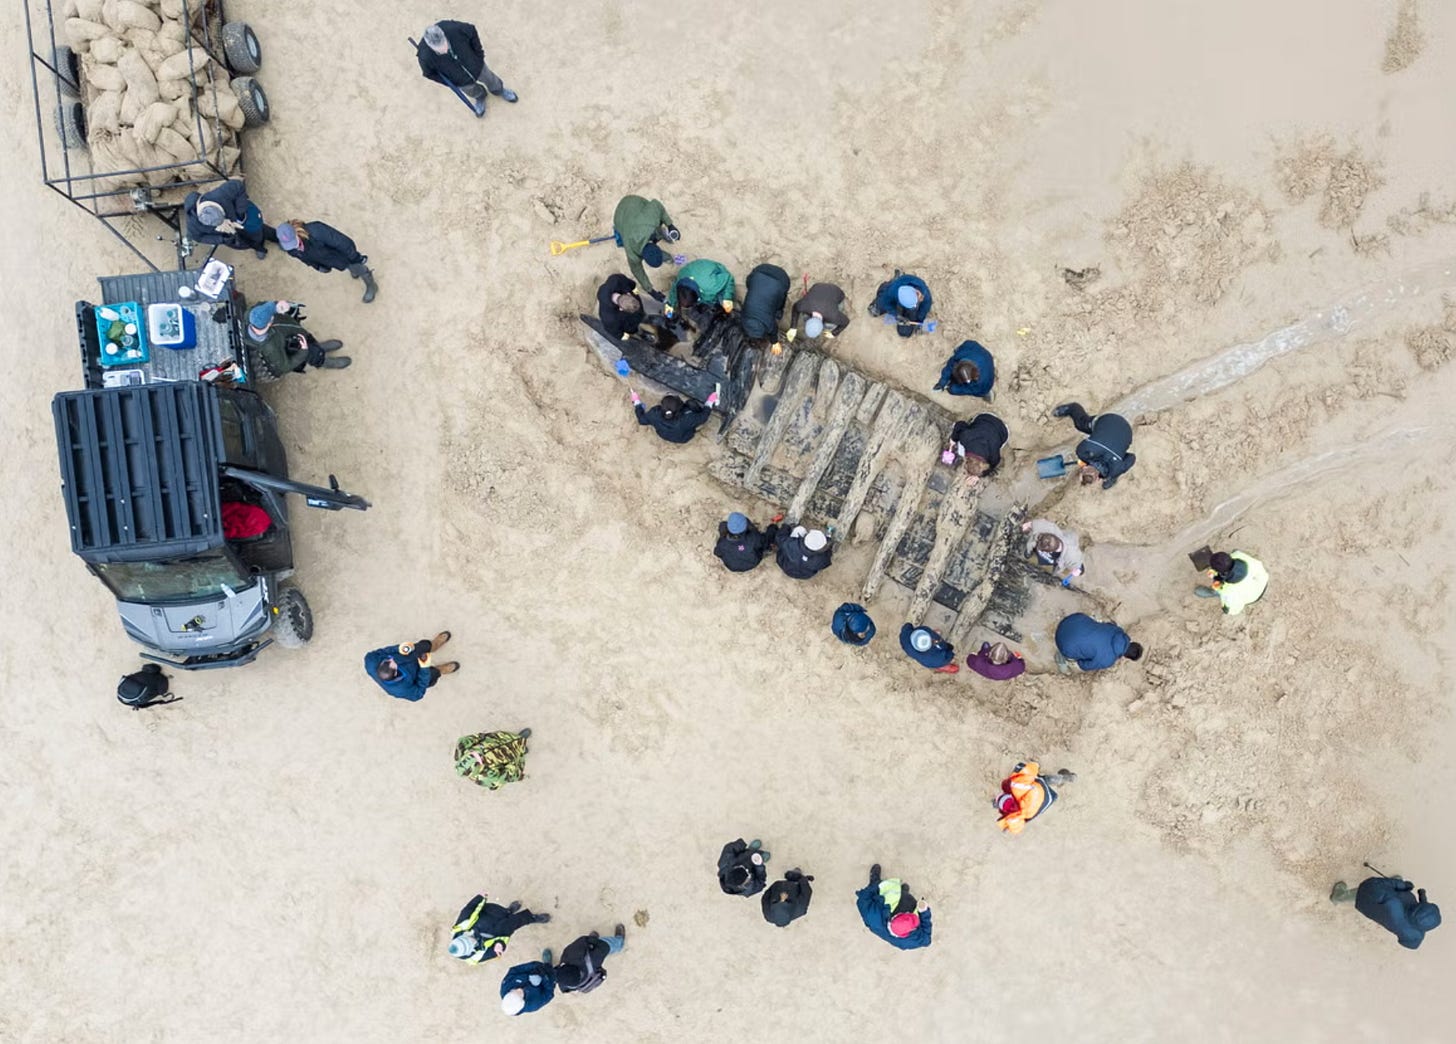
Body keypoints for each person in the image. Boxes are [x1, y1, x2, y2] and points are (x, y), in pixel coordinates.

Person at [416, 20, 517, 117]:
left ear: (443, 33)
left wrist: (479, 55)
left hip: (477, 65)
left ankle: (499, 90)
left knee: (490, 78)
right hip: (460, 81)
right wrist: (451, 83)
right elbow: (429, 74)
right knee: (472, 91)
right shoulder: (424, 56)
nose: (445, 50)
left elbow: (471, 30)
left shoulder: (452, 28)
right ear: (430, 45)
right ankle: (480, 97)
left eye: (445, 44)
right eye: (440, 51)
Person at [276, 220, 377, 304]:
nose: (293, 247)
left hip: (342, 257)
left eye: (293, 241)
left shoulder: (316, 231)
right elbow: (303, 258)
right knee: (346, 267)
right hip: (331, 261)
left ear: (296, 231)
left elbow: (343, 242)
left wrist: (354, 257)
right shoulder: (288, 247)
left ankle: (371, 284)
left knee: (357, 267)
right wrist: (318, 267)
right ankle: (352, 269)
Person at [1330, 874, 1441, 950]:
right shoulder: (1415, 935)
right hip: (1384, 913)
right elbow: (1411, 944)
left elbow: (1371, 885)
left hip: (1371, 902)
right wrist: (1422, 898)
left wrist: (1399, 884)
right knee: (1383, 893)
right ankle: (1395, 884)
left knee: (1364, 894)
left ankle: (1339, 896)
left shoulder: (1393, 903)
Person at [245, 301, 351, 378]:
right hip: (293, 349)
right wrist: (303, 351)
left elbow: (261, 306)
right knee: (310, 354)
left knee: (308, 340)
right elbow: (285, 366)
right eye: (273, 314)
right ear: (268, 323)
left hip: (292, 331)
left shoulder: (252, 315)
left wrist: (276, 306)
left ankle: (318, 347)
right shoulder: (270, 348)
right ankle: (323, 362)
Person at [448, 894, 551, 965]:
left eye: (468, 938)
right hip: (499, 932)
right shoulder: (475, 958)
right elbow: (494, 952)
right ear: (470, 950)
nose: (472, 939)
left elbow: (468, 910)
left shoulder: (459, 928)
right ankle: (532, 918)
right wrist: (499, 945)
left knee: (501, 912)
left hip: (489, 915)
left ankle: (508, 911)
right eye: (471, 943)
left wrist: (479, 898)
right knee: (517, 921)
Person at [1052, 402, 1136, 488]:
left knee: (1114, 467)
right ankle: (1071, 408)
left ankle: (1112, 477)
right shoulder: (1082, 452)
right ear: (1098, 479)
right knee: (1081, 424)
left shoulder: (1116, 469)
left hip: (1127, 433)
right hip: (1108, 421)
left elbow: (1131, 457)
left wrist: (1119, 456)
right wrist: (1087, 462)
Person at [183, 179, 273, 258]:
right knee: (246, 243)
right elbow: (198, 238)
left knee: (258, 231)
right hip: (230, 235)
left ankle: (269, 239)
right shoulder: (193, 225)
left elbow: (238, 185)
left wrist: (240, 212)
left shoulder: (219, 195)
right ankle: (259, 248)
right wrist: (222, 239)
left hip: (243, 220)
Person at [612, 195, 679, 298]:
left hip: (634, 206)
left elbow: (656, 204)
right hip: (622, 214)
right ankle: (668, 255)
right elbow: (638, 271)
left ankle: (664, 235)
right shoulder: (632, 254)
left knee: (658, 225)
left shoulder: (649, 221)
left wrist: (670, 225)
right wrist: (650, 291)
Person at [363, 631, 459, 701]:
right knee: (432, 675)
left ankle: (434, 645)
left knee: (422, 646)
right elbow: (418, 693)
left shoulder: (370, 661)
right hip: (416, 675)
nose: (392, 659)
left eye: (389, 660)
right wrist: (424, 668)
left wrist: (399, 649)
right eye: (393, 663)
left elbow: (382, 652)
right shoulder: (401, 690)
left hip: (408, 654)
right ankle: (439, 670)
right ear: (396, 673)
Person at [856, 864, 932, 950]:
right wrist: (924, 912)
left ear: (897, 916)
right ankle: (902, 892)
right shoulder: (912, 940)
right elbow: (927, 940)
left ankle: (877, 882)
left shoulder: (872, 916)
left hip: (883, 910)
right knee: (909, 901)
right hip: (888, 914)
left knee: (887, 891)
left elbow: (864, 897)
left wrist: (876, 886)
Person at [995, 761, 1076, 834]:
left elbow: (1016, 826)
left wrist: (1007, 826)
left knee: (1039, 790)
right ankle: (1065, 778)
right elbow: (1027, 774)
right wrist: (1035, 765)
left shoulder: (1017, 817)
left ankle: (1065, 779)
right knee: (1044, 779)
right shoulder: (1015, 787)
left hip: (1043, 803)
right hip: (1038, 790)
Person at [1053, 613, 1142, 674]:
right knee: (1075, 661)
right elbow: (1084, 666)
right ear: (1126, 657)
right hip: (1063, 642)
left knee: (1095, 625)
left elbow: (1107, 625)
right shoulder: (1108, 660)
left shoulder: (1118, 630)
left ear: (1131, 641)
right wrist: (1080, 659)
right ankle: (1061, 659)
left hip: (1071, 620)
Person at [1195, 550, 1270, 615]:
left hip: (1253, 596)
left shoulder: (1228, 591)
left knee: (1218, 588)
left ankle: (1212, 592)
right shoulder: (1239, 555)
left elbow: (1232, 610)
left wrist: (1218, 587)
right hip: (1262, 581)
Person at [556, 925, 626, 994]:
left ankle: (592, 941)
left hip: (589, 977)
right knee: (608, 944)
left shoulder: (565, 985)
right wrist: (592, 940)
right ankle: (619, 942)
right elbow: (604, 946)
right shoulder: (591, 959)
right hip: (593, 954)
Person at [453, 729, 531, 789]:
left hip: (494, 742)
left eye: (475, 753)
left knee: (509, 738)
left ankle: (518, 740)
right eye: (480, 759)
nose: (480, 755)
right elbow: (506, 776)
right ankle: (521, 748)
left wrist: (481, 737)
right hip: (506, 758)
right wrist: (515, 760)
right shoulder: (486, 777)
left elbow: (465, 740)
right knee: (517, 752)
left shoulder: (462, 749)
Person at [631, 390, 717, 444]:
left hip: (664, 435)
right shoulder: (687, 418)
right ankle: (695, 428)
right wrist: (709, 402)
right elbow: (703, 417)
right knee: (691, 403)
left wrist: (637, 403)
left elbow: (641, 420)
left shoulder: (655, 413)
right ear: (680, 406)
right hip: (683, 438)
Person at [946, 413, 1009, 482]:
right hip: (985, 418)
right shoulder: (966, 438)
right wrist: (953, 439)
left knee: (997, 444)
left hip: (1002, 430)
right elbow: (959, 424)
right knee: (961, 449)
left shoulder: (993, 457)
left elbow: (993, 465)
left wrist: (979, 476)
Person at [869, 272, 933, 338]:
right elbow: (885, 302)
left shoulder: (925, 294)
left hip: (908, 305)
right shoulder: (894, 290)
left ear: (917, 293)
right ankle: (893, 280)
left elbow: (924, 310)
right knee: (881, 300)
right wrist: (897, 315)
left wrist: (919, 321)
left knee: (904, 332)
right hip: (896, 296)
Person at [666, 259, 736, 317]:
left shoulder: (710, 285)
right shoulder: (681, 280)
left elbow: (728, 278)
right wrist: (670, 304)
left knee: (721, 301)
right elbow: (675, 290)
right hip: (698, 273)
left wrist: (727, 298)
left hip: (716, 275)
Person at [740, 262, 791, 341]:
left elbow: (773, 330)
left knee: (779, 306)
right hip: (760, 269)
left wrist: (775, 343)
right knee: (749, 284)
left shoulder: (768, 322)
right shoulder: (744, 315)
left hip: (781, 278)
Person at [713, 512, 779, 572]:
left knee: (722, 525)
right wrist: (773, 526)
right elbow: (766, 540)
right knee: (763, 545)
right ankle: (768, 550)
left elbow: (717, 552)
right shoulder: (753, 538)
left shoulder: (722, 543)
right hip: (751, 563)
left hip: (732, 566)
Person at [597, 273, 644, 340]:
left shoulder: (617, 280)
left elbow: (631, 284)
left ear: (628, 294)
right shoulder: (609, 318)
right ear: (621, 309)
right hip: (628, 325)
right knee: (632, 328)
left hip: (629, 319)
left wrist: (635, 291)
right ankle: (637, 332)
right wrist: (625, 337)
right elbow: (615, 332)